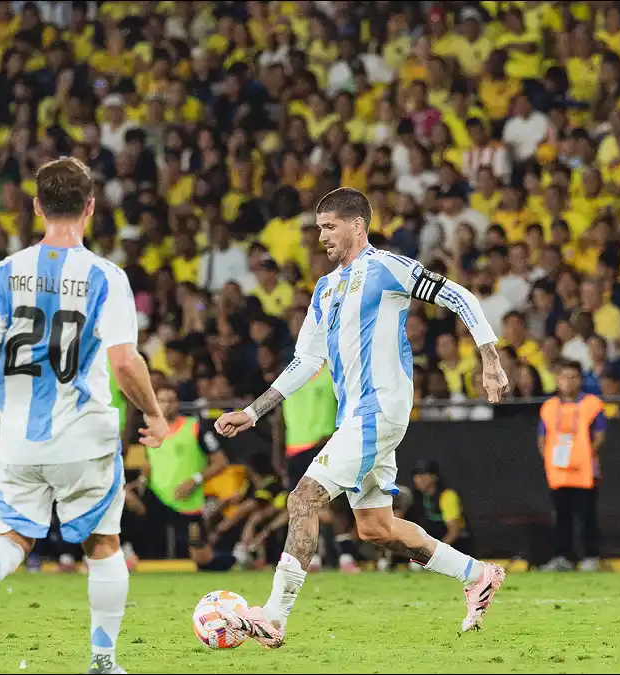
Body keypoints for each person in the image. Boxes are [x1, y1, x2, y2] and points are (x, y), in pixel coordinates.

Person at [213, 187, 509, 647]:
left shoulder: (385, 267)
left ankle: (274, 616)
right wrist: (254, 411)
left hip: (381, 407)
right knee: (376, 528)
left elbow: (458, 295)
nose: (322, 237)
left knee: (304, 498)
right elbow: (305, 362)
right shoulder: (325, 287)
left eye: (329, 226)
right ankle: (477, 574)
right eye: (319, 228)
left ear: (357, 224)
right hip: (355, 416)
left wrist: (489, 358)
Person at [0, 157, 168, 675]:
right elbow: (123, 361)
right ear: (90, 207)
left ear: (36, 207)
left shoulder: (6, 272)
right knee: (103, 544)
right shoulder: (106, 277)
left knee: (14, 537)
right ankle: (102, 659)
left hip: (21, 440)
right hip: (86, 440)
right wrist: (155, 415)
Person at [128, 382, 228, 562]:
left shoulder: (196, 427)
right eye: (161, 401)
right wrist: (142, 480)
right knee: (122, 497)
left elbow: (220, 462)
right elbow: (150, 463)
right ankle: (124, 549)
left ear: (178, 404)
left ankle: (231, 560)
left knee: (202, 559)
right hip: (157, 496)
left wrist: (194, 480)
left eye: (171, 401)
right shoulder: (150, 430)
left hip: (186, 500)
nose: (166, 405)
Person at [537, 360, 608, 572]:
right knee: (561, 516)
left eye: (574, 377)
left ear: (580, 380)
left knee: (587, 515)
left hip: (584, 471)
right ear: (558, 380)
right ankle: (562, 557)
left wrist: (586, 455)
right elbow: (542, 436)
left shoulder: (592, 404)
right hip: (558, 472)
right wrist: (550, 458)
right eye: (565, 377)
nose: (569, 382)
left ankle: (590, 557)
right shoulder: (549, 407)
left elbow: (600, 434)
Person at [405, 460, 472, 556]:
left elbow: (454, 531)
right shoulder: (416, 498)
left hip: (456, 548)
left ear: (434, 476)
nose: (419, 479)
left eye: (424, 474)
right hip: (431, 546)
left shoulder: (447, 496)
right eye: (416, 476)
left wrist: (434, 553)